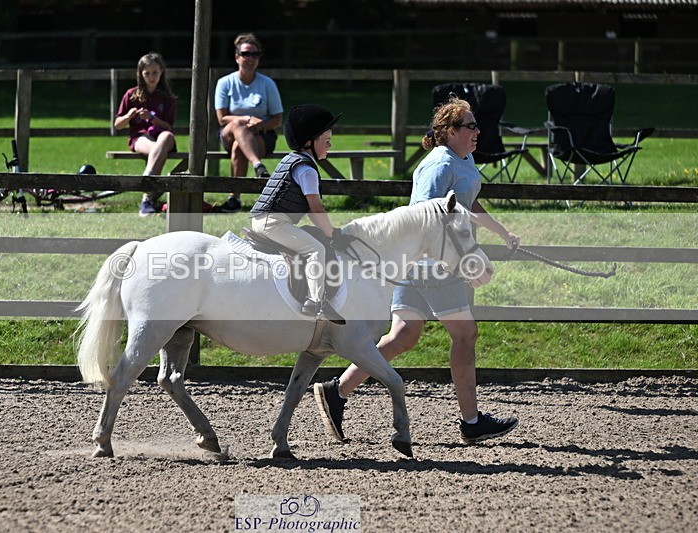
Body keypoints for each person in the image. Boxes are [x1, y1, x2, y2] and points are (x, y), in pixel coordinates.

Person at [313, 96, 521, 444]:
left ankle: (337, 391)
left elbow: (469, 202)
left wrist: (501, 232)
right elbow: (425, 217)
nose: (477, 131)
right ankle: (470, 421)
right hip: (434, 265)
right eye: (470, 125)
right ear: (451, 132)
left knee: (403, 336)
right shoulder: (438, 166)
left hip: (425, 265)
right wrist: (465, 259)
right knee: (465, 335)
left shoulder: (463, 158)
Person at [250, 104, 346, 324]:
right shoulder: (307, 170)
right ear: (309, 142)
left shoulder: (290, 160)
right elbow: (316, 209)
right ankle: (316, 302)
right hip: (273, 223)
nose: (330, 146)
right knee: (316, 249)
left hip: (264, 219)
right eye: (327, 142)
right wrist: (331, 234)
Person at [214, 33, 284, 213]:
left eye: (255, 54)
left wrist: (259, 125)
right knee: (238, 125)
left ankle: (234, 199)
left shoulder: (267, 84)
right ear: (237, 57)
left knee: (239, 147)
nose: (250, 58)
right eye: (246, 54)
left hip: (261, 136)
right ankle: (258, 165)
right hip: (229, 132)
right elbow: (222, 118)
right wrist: (246, 119)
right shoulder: (225, 83)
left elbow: (277, 119)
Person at [114, 52, 177, 216]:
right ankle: (148, 196)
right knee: (157, 149)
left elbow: (168, 127)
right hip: (141, 138)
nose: (151, 77)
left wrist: (152, 118)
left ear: (161, 72)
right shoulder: (131, 95)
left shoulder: (168, 98)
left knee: (166, 137)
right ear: (140, 74)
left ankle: (146, 178)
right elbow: (118, 125)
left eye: (155, 72)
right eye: (147, 73)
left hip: (162, 137)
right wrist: (129, 116)